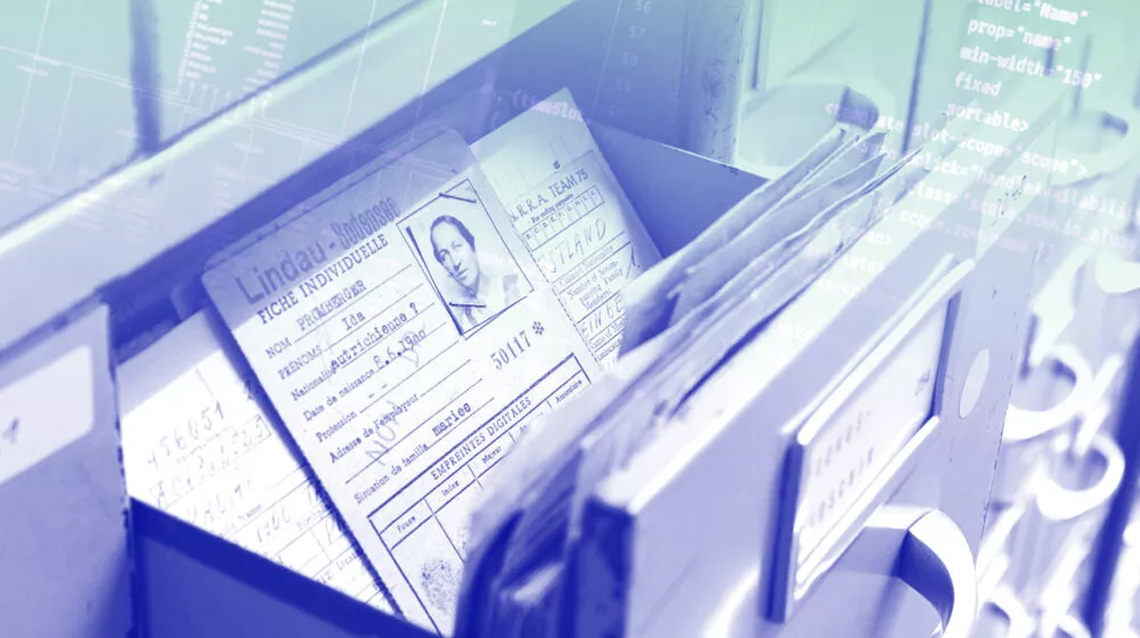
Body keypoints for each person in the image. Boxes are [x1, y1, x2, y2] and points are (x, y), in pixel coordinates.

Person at [429, 214, 523, 332]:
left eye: (457, 246)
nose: (455, 262)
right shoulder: (463, 320)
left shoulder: (515, 286)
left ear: (471, 245)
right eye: (444, 256)